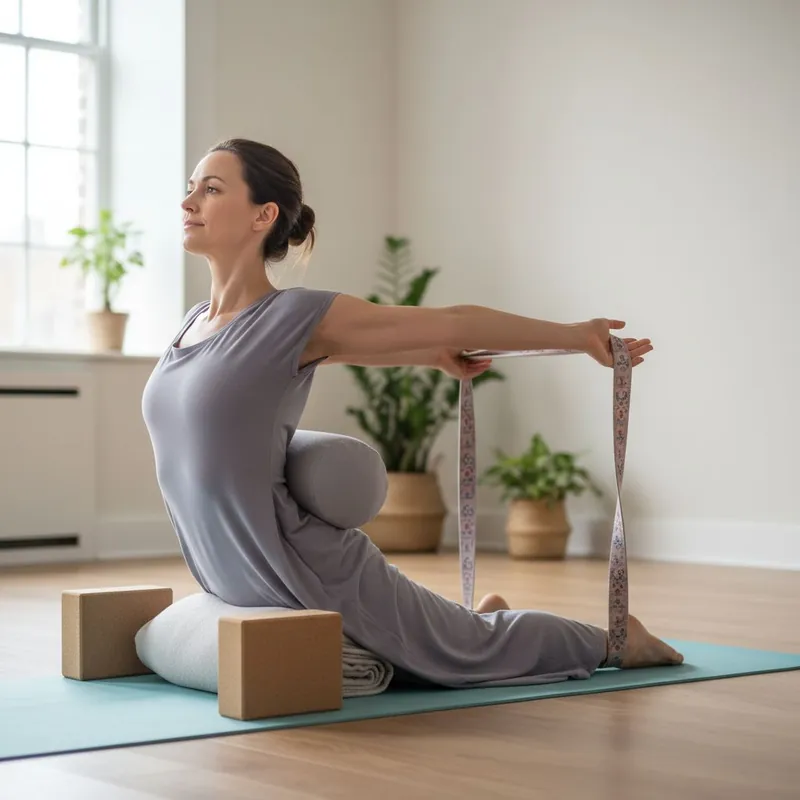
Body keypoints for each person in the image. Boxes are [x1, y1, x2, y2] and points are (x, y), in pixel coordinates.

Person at [142, 138, 683, 689]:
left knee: (465, 654)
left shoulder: (295, 316)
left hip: (306, 569)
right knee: (440, 642)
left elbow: (454, 322)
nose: (188, 202)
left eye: (212, 189)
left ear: (264, 215)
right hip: (234, 572)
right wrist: (429, 357)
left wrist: (575, 336)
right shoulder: (193, 323)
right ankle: (476, 619)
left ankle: (618, 641)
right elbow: (305, 361)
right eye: (191, 188)